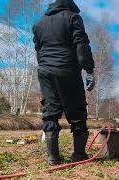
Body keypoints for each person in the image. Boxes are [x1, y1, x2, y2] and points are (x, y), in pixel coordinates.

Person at [32, 0, 95, 165]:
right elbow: (81, 44)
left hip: (45, 71)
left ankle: (53, 157)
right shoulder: (72, 18)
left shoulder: (39, 24)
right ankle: (79, 154)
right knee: (77, 111)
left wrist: (45, 67)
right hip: (67, 69)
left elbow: (38, 50)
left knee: (50, 111)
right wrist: (89, 70)